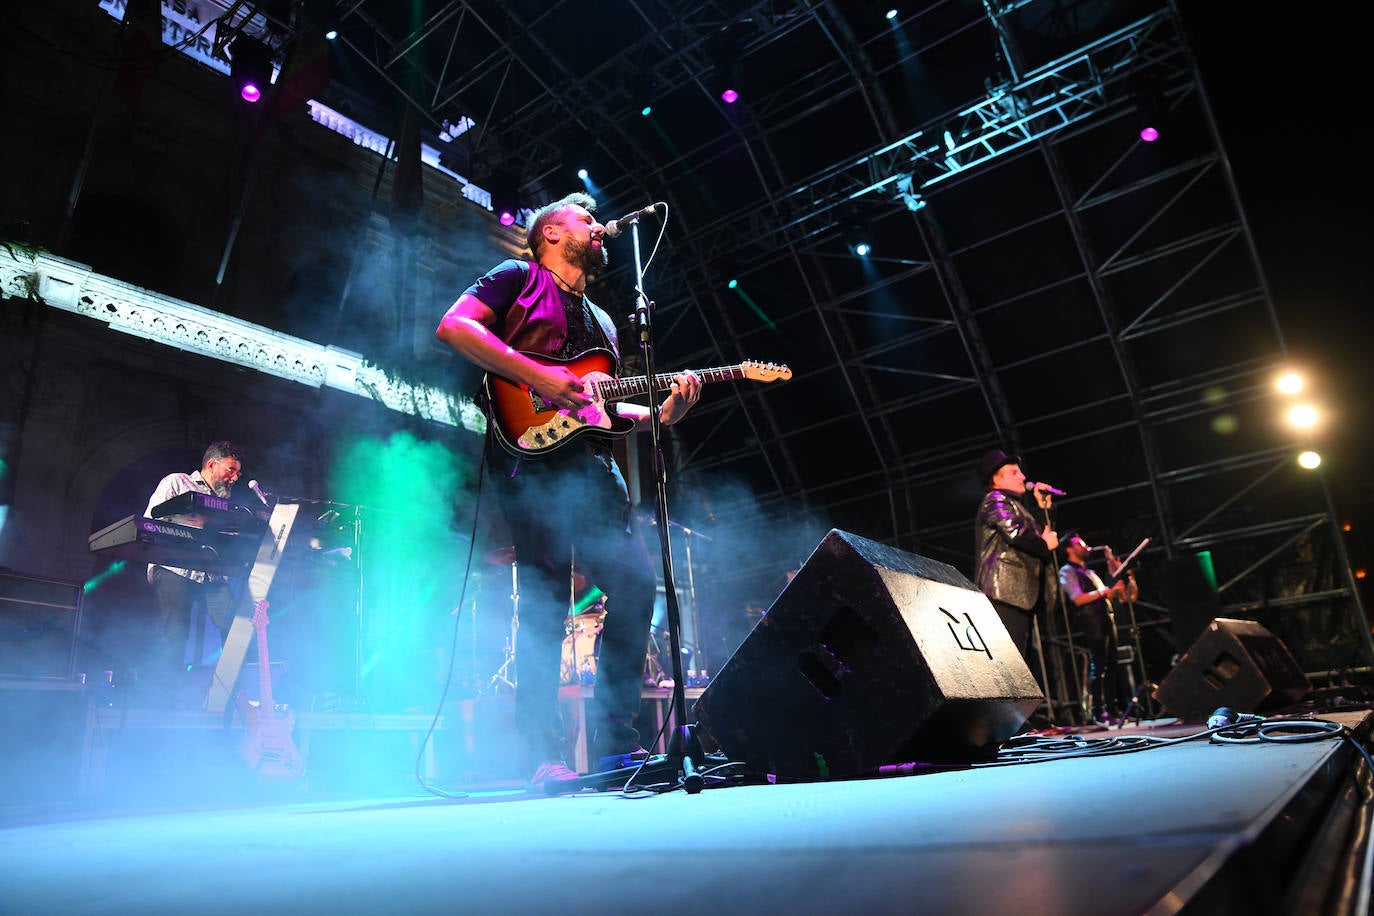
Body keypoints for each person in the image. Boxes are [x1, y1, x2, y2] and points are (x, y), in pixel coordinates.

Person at [435, 191, 702, 791]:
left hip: (593, 467)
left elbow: (595, 407)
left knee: (635, 586)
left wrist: (658, 416)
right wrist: (536, 377)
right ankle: (541, 754)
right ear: (552, 232)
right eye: (586, 219)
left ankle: (616, 740)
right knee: (546, 600)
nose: (597, 227)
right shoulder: (517, 276)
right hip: (530, 461)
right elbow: (454, 326)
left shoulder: (605, 320)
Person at [142, 441, 246, 702]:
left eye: (238, 473)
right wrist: (192, 521)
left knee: (236, 626)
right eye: (231, 470)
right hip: (174, 568)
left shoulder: (226, 502)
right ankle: (163, 700)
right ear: (212, 464)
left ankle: (233, 696)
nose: (235, 477)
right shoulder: (177, 483)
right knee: (176, 633)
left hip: (210, 573)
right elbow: (151, 521)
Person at [973, 448, 1058, 662]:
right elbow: (1017, 534)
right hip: (1003, 594)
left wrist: (1044, 509)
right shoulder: (995, 499)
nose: (1023, 477)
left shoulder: (1016, 505)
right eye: (1014, 472)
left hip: (1018, 595)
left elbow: (1040, 537)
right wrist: (1043, 543)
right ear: (995, 479)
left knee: (1021, 663)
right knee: (1010, 664)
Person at [1059, 532, 1138, 725]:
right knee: (1099, 666)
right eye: (1080, 544)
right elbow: (1078, 598)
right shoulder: (1067, 571)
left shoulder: (1090, 572)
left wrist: (1114, 589)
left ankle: (1112, 710)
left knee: (1111, 665)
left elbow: (1106, 596)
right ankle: (1098, 711)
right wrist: (1103, 591)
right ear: (1070, 549)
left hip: (1106, 619)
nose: (1085, 547)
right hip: (1092, 621)